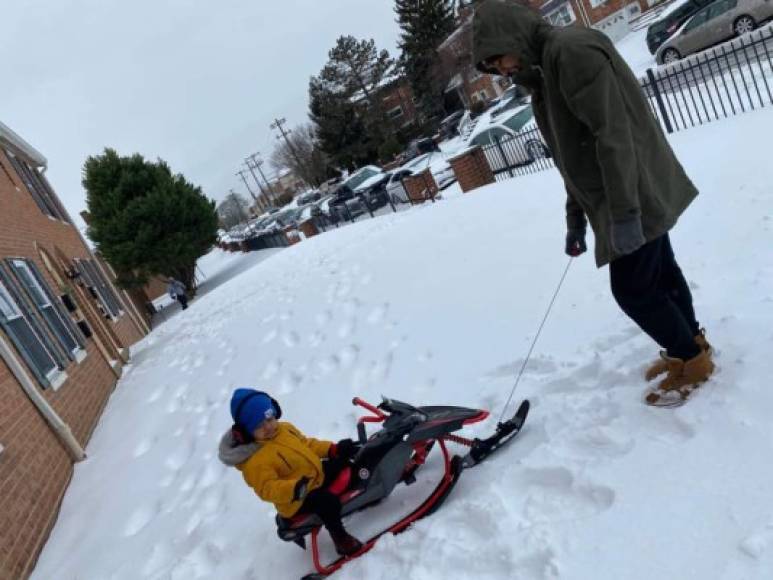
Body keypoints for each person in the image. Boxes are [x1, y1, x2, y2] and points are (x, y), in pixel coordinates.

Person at [471, 1, 714, 405]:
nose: (500, 71)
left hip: (631, 190)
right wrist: (575, 220)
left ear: (512, 36)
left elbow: (611, 133)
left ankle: (691, 360)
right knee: (661, 274)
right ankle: (690, 346)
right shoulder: (545, 73)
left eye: (498, 59)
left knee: (634, 290)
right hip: (624, 192)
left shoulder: (569, 52)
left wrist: (625, 213)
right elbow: (573, 154)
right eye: (491, 68)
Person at [218, 389, 363, 556]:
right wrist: (293, 489)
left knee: (344, 462)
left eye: (269, 418)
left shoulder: (284, 429)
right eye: (259, 426)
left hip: (314, 475)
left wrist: (333, 449)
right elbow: (268, 488)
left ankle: (364, 496)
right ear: (245, 433)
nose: (268, 427)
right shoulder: (253, 461)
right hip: (296, 499)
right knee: (327, 503)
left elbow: (308, 445)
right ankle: (342, 541)